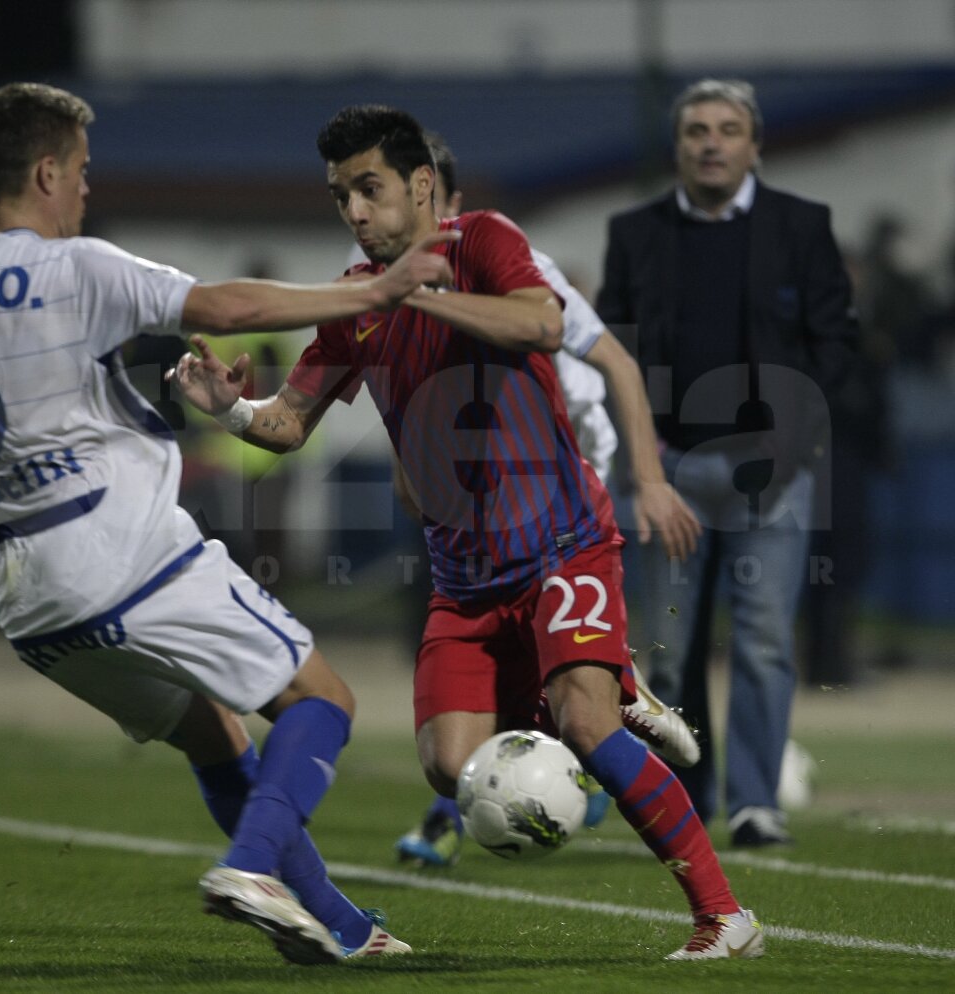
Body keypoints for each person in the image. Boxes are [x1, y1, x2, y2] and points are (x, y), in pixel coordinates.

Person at [0, 82, 459, 966]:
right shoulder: (78, 267)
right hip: (117, 549)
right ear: (47, 171)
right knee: (322, 699)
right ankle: (252, 868)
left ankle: (341, 931)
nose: (86, 189)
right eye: (82, 171)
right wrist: (374, 292)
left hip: (24, 599)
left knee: (216, 736)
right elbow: (228, 309)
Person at [171, 104, 763, 960]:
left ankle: (723, 917)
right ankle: (613, 689)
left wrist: (428, 296)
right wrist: (230, 411)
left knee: (585, 725)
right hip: (465, 582)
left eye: (369, 189)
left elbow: (545, 323)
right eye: (341, 196)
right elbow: (291, 422)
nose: (356, 212)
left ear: (419, 186)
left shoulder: (481, 241)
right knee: (453, 766)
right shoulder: (354, 303)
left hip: (564, 545)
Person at [389, 133, 702, 869]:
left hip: (559, 493)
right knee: (503, 690)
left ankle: (599, 715)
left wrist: (650, 479)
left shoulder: (517, 266)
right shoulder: (399, 290)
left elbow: (613, 363)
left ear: (444, 200)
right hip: (476, 507)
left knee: (551, 692)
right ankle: (616, 698)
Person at [595, 79, 857, 847]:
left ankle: (753, 803)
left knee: (765, 642)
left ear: (755, 143)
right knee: (669, 656)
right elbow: (613, 352)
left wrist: (795, 444)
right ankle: (680, 805)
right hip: (668, 471)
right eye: (697, 130)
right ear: (678, 146)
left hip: (769, 474)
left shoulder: (802, 226)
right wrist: (641, 465)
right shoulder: (635, 231)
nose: (711, 142)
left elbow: (836, 345)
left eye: (728, 128)